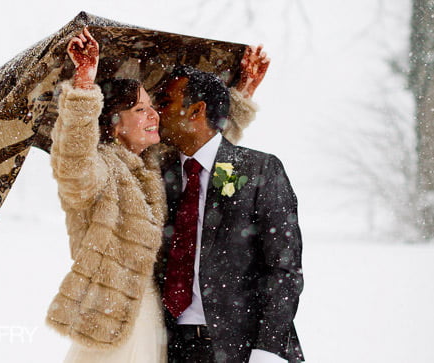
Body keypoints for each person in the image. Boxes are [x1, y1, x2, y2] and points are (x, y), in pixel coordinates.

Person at [45, 27, 268, 362]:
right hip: (111, 317)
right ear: (115, 124)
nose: (154, 115)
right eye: (139, 109)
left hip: (154, 316)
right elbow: (72, 164)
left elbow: (205, 147)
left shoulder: (154, 166)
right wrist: (83, 86)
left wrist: (242, 95)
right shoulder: (99, 168)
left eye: (152, 106)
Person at [155, 64, 304, 362]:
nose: (157, 112)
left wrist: (267, 350)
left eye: (165, 102)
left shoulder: (256, 170)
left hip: (243, 348)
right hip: (174, 349)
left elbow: (284, 270)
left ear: (196, 111)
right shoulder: (160, 177)